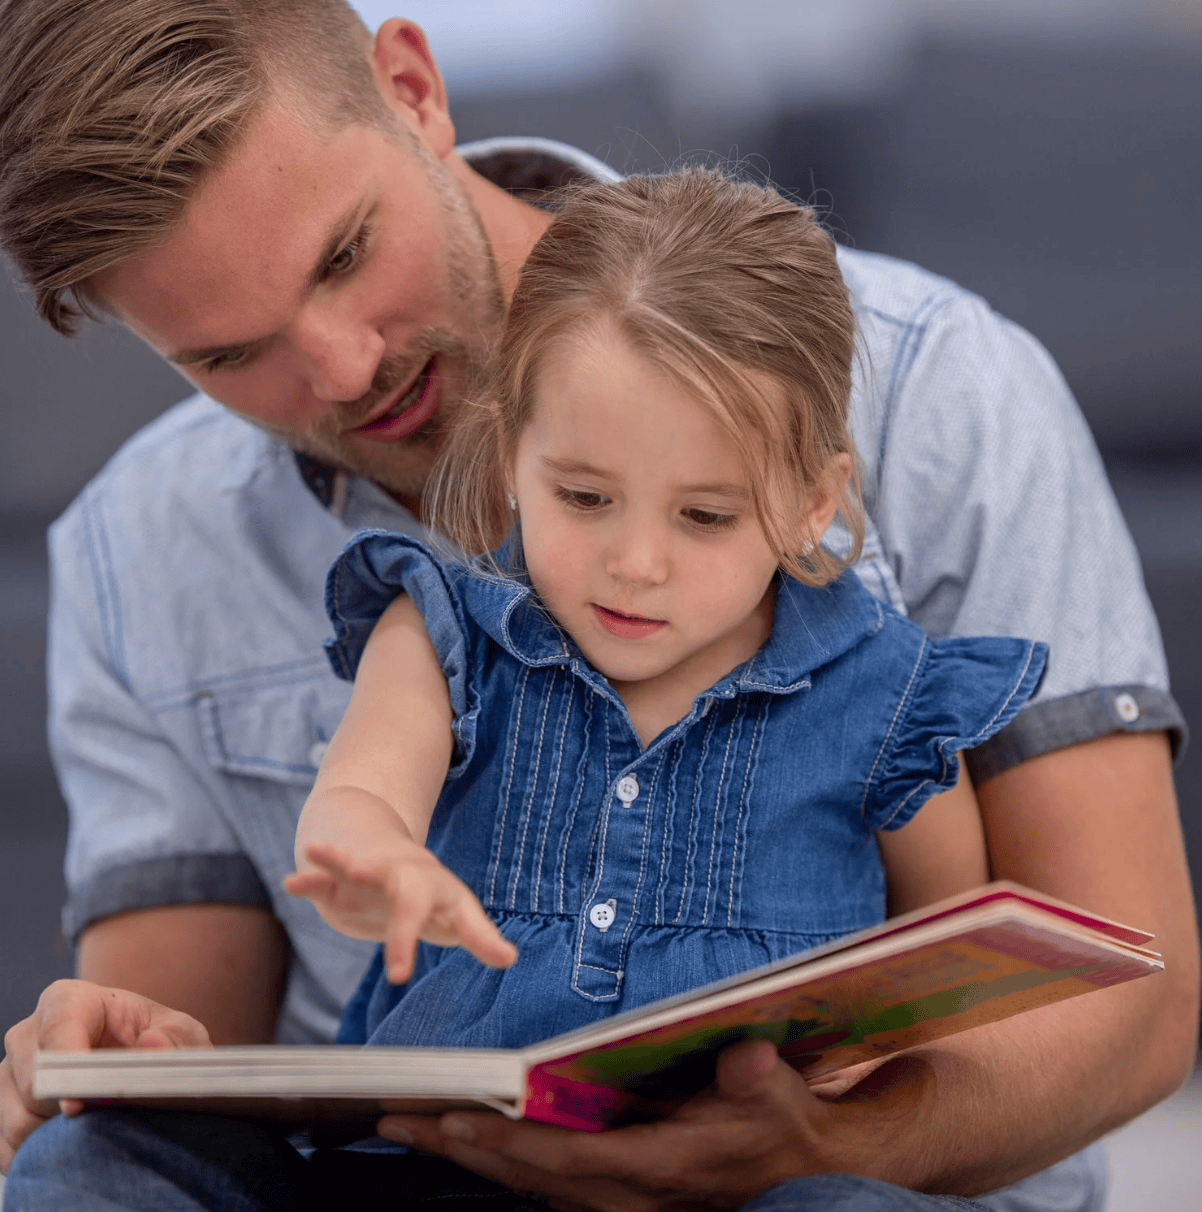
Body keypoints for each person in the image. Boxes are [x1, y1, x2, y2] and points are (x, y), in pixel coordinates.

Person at [0, 0, 1195, 1208]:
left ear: (412, 87)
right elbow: (191, 1057)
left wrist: (826, 1143)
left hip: (834, 1183)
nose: (345, 370)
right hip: (420, 1177)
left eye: (347, 253)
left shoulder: (937, 384)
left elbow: (1124, 1001)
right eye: (227, 354)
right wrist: (112, 1050)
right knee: (90, 1162)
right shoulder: (136, 545)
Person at [283, 169, 1045, 1072]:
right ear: (509, 456)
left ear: (812, 501)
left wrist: (870, 1077)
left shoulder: (886, 695)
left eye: (705, 517)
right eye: (584, 496)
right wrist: (374, 860)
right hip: (456, 1151)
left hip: (771, 1165)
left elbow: (943, 947)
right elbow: (360, 795)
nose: (636, 565)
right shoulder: (445, 635)